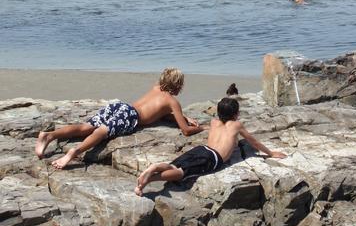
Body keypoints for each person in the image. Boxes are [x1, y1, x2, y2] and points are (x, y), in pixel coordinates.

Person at [35, 68, 206, 170]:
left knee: (86, 127)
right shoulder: (172, 101)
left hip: (120, 107)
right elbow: (185, 131)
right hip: (131, 116)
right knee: (102, 132)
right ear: (178, 86)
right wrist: (201, 128)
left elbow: (159, 110)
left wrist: (182, 116)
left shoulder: (156, 88)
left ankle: (49, 135)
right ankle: (74, 153)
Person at [135, 97, 287, 196]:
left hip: (201, 149)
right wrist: (270, 153)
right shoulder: (236, 125)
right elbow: (254, 142)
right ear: (236, 114)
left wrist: (193, 123)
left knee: (174, 166)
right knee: (182, 173)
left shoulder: (214, 122)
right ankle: (148, 180)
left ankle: (154, 169)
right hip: (212, 158)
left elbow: (205, 127)